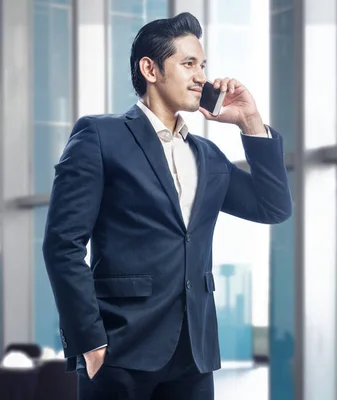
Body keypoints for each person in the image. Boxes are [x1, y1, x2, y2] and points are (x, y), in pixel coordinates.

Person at [42, 12, 292, 400]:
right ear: (150, 69)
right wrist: (88, 340)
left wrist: (251, 122)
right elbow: (62, 245)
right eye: (188, 63)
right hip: (121, 348)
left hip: (194, 353)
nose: (201, 77)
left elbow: (273, 206)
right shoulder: (100, 136)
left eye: (203, 65)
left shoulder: (207, 156)